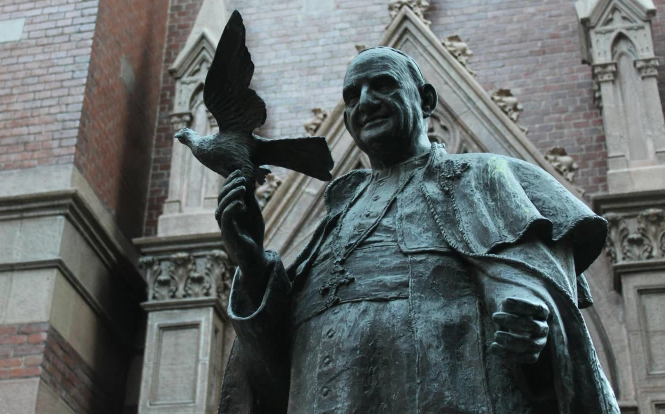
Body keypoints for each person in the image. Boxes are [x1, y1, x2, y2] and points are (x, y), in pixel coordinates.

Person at [216, 47, 618, 414]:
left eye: (383, 85)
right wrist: (252, 264)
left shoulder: (486, 178)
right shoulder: (334, 217)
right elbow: (275, 371)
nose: (366, 102)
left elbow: (533, 293)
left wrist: (530, 328)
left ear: (425, 101)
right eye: (352, 96)